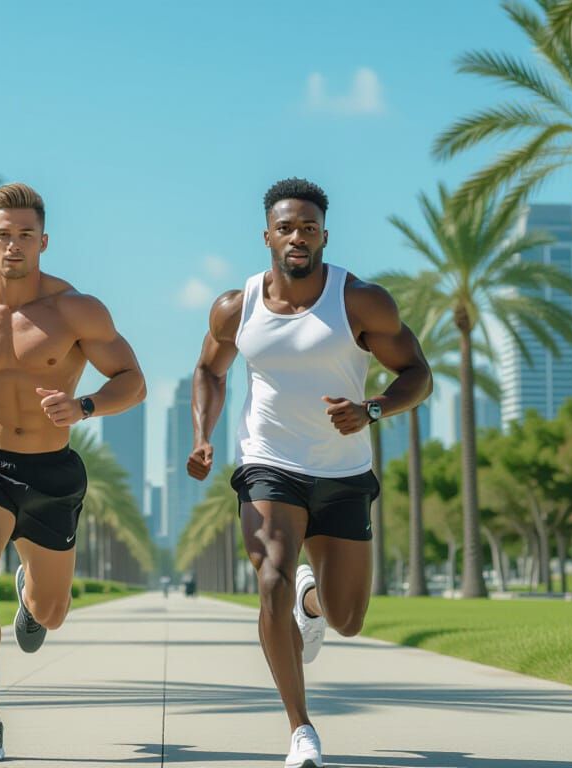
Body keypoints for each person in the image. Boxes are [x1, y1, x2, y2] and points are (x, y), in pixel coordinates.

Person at [185, 178, 432, 768]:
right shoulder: (234, 306)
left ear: (325, 234)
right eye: (287, 228)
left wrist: (371, 410)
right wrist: (202, 436)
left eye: (309, 228)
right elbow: (210, 371)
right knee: (270, 576)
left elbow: (417, 374)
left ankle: (313, 603)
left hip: (344, 470)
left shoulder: (360, 301)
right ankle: (301, 731)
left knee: (348, 619)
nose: (298, 237)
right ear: (267, 234)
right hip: (268, 462)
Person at [0, 182, 146, 762]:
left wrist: (85, 406)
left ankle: (30, 600)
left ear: (44, 241)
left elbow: (132, 381)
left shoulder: (74, 310)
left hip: (52, 472)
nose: (14, 246)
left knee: (53, 612)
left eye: (25, 236)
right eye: (4, 235)